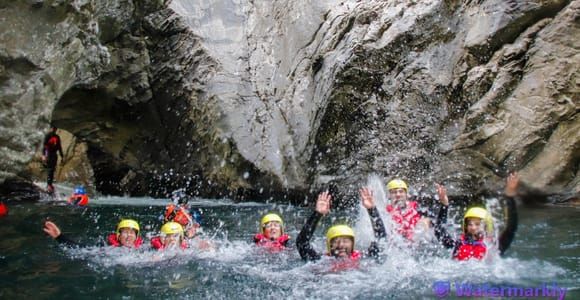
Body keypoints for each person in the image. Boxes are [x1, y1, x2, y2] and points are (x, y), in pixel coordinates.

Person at [433, 173, 519, 261]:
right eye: (470, 224)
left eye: (477, 224)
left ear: (486, 225)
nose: (473, 227)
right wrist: (444, 205)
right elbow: (439, 232)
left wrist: (510, 196)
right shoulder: (458, 244)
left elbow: (511, 228)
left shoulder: (495, 247)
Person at [296, 190, 387, 266]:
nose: (341, 245)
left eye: (346, 241)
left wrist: (372, 209)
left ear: (352, 244)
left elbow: (381, 239)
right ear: (329, 245)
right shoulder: (320, 261)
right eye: (335, 241)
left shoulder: (364, 259)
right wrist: (317, 214)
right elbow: (302, 242)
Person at [43, 219, 143, 248]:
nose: (129, 235)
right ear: (118, 235)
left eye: (132, 233)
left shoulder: (143, 249)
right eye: (125, 232)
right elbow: (79, 248)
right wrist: (59, 237)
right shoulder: (105, 248)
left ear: (136, 236)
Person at [42, 126, 64, 194]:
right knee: (50, 169)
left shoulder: (57, 137)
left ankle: (50, 184)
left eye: (55, 128)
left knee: (53, 169)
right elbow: (44, 146)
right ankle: (48, 185)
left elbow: (59, 147)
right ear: (51, 128)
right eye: (53, 128)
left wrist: (62, 156)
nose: (54, 130)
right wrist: (44, 155)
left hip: (54, 154)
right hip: (49, 154)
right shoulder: (48, 136)